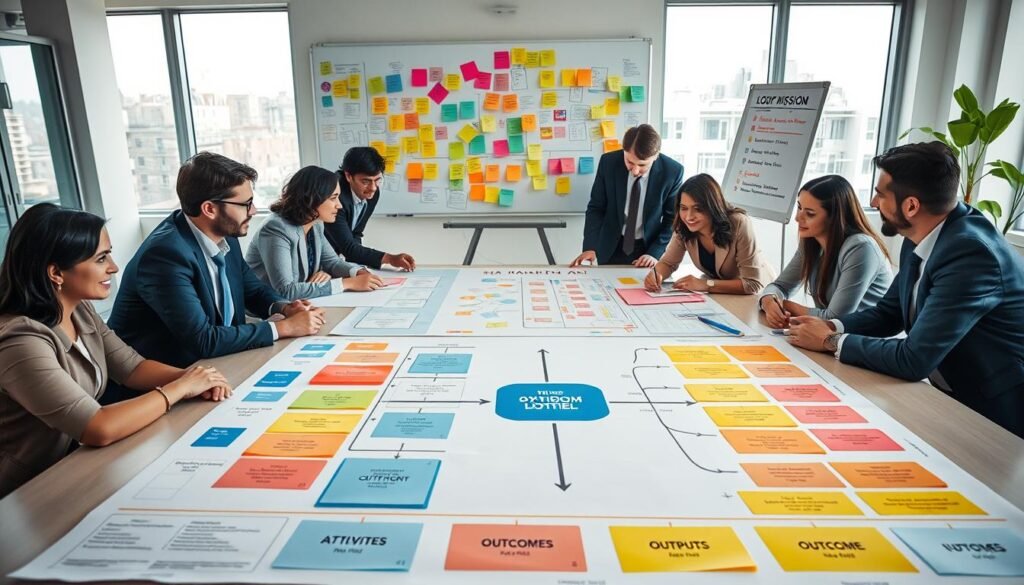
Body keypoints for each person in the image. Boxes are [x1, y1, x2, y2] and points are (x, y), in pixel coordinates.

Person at [787, 142, 1024, 438]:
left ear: (911, 206)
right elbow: (889, 314)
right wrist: (830, 326)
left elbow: (915, 359)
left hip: (994, 413)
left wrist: (831, 341)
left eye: (880, 194)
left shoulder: (970, 254)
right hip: (949, 396)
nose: (873, 202)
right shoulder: (923, 233)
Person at [0, 205, 231, 497]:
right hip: (28, 491)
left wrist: (194, 378)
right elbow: (98, 427)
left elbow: (132, 367)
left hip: (77, 467)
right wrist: (180, 388)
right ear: (56, 272)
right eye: (101, 258)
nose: (114, 267)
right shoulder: (20, 341)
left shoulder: (79, 309)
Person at [109, 152, 326, 375]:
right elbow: (203, 339)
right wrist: (284, 327)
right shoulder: (165, 255)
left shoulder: (224, 233)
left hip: (219, 363)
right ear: (210, 209)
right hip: (168, 376)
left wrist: (286, 308)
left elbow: (253, 290)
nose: (253, 211)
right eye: (246, 204)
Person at [759, 175, 893, 327]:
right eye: (799, 207)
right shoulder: (811, 241)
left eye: (810, 213)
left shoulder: (861, 248)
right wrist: (769, 301)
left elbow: (836, 318)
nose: (797, 218)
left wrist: (786, 305)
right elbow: (780, 286)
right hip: (829, 335)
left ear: (834, 217)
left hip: (860, 337)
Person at [247, 166, 385, 300]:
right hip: (267, 309)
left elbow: (332, 262)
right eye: (333, 198)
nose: (339, 205)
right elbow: (286, 290)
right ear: (312, 198)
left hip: (301, 304)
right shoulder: (276, 228)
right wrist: (347, 283)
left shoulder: (316, 224)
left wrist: (358, 272)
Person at [570, 124, 684, 268]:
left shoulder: (672, 172)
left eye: (642, 165)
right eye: (629, 162)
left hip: (647, 250)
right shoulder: (608, 163)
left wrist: (655, 252)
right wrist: (590, 247)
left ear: (656, 156)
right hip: (610, 246)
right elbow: (596, 208)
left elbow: (672, 218)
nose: (635, 170)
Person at [644, 173, 775, 294]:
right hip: (722, 293)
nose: (689, 216)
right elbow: (668, 263)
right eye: (684, 208)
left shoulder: (739, 223)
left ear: (712, 207)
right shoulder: (684, 226)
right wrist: (657, 274)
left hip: (759, 293)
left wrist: (705, 284)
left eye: (697, 209)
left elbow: (752, 284)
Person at [322, 147, 416, 271]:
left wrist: (358, 267)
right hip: (318, 261)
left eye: (377, 180)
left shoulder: (372, 194)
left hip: (334, 260)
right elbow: (348, 247)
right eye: (366, 181)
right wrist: (390, 258)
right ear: (348, 176)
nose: (373, 188)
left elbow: (356, 233)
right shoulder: (335, 198)